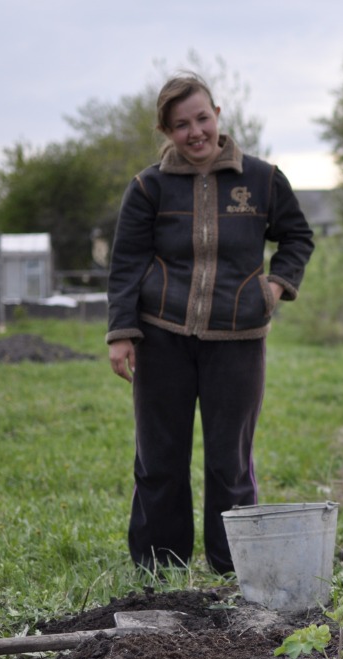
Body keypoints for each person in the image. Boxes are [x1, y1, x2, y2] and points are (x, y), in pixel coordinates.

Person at [106, 72, 314, 576]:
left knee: (230, 462)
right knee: (159, 460)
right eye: (181, 125)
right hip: (162, 338)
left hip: (238, 341)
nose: (195, 132)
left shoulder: (263, 179)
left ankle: (233, 566)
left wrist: (275, 286)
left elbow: (297, 237)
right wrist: (122, 332)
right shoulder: (148, 187)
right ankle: (160, 565)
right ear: (166, 131)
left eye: (201, 118)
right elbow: (127, 262)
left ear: (217, 115)